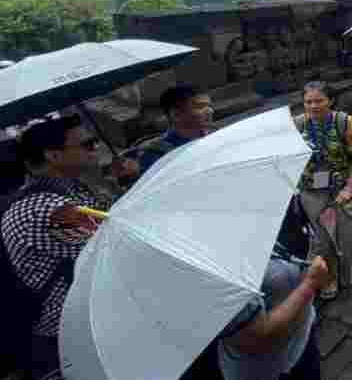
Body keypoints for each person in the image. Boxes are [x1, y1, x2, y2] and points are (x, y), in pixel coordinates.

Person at [2, 116, 111, 380]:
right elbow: (112, 245)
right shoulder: (43, 209)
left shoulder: (70, 193)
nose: (94, 149)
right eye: (87, 144)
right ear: (53, 155)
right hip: (69, 334)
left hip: (92, 320)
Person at [293, 81, 352, 300]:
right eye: (308, 101)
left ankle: (346, 272)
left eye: (319, 100)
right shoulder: (297, 125)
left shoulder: (346, 122)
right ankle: (329, 278)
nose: (313, 106)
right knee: (322, 238)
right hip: (311, 190)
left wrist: (349, 187)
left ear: (331, 100)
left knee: (346, 233)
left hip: (343, 185)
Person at [217, 256, 329, 380]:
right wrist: (309, 284)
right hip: (272, 368)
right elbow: (258, 337)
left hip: (300, 338)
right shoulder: (220, 275)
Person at [138, 85, 214, 175]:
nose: (210, 111)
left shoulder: (217, 135)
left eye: (209, 106)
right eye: (200, 107)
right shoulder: (156, 153)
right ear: (176, 114)